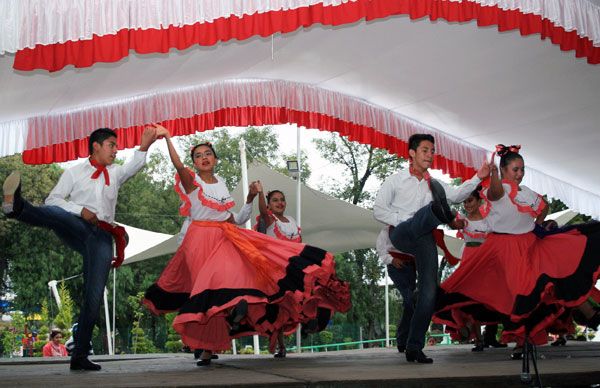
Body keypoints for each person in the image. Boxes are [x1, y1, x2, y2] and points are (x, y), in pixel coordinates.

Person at [143, 124, 351, 366]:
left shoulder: (220, 185)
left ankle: (232, 318)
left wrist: (250, 198)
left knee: (231, 282)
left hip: (225, 237)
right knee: (208, 294)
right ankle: (209, 346)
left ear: (216, 159)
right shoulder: (192, 182)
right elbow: (179, 165)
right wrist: (168, 137)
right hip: (199, 241)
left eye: (207, 154)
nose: (203, 158)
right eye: (198, 156)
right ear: (195, 163)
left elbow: (234, 219)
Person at [2, 127, 161, 370]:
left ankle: (79, 356)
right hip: (75, 226)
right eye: (111, 145)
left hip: (101, 237)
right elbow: (53, 200)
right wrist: (80, 211)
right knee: (56, 213)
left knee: (94, 296)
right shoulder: (74, 173)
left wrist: (145, 144)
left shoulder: (115, 172)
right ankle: (18, 207)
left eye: (116, 146)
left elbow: (134, 165)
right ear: (95, 146)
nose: (116, 150)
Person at [433, 144, 600, 358]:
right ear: (503, 170)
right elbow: (493, 200)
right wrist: (492, 177)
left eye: (522, 169)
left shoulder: (525, 192)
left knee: (559, 271)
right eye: (515, 169)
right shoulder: (496, 192)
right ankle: (523, 340)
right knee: (520, 297)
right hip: (505, 251)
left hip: (531, 244)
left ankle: (586, 312)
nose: (520, 173)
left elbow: (544, 206)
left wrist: (538, 225)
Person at [373, 133, 491, 363]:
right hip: (401, 233)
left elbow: (457, 194)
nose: (430, 155)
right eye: (425, 150)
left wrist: (479, 176)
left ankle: (414, 347)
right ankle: (437, 213)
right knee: (425, 215)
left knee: (429, 292)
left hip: (425, 237)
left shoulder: (433, 183)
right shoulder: (395, 180)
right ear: (412, 153)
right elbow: (378, 210)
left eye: (432, 151)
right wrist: (404, 219)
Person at [256, 189, 302, 358]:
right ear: (269, 205)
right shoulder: (269, 219)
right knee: (278, 307)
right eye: (275, 200)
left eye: (282, 199)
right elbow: (262, 210)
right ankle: (281, 346)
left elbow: (299, 244)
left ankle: (311, 321)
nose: (279, 203)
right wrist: (260, 193)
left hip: (291, 269)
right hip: (274, 271)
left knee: (296, 301)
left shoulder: (291, 220)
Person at [375, 228, 416, 353]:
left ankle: (406, 339)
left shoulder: (411, 226)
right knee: (409, 300)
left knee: (411, 303)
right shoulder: (387, 230)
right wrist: (391, 260)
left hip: (411, 266)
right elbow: (381, 250)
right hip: (396, 266)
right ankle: (403, 339)